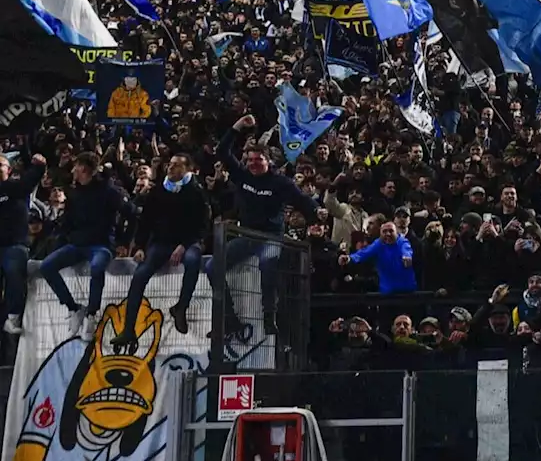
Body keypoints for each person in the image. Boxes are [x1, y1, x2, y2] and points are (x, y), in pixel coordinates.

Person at [207, 114, 318, 334]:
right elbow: (221, 151)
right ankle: (229, 317)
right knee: (212, 267)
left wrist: (316, 218)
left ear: (268, 161)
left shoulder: (281, 183)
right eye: (249, 160)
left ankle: (269, 317)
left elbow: (303, 202)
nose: (253, 164)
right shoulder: (242, 175)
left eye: (258, 160)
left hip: (270, 237)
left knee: (267, 266)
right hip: (245, 235)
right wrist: (237, 126)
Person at [39, 152, 135, 341]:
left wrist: (124, 242)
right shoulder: (74, 192)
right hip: (76, 244)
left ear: (83, 168)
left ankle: (92, 314)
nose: (73, 170)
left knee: (97, 266)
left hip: (101, 245)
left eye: (76, 166)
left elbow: (131, 214)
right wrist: (61, 236)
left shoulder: (109, 191)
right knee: (46, 266)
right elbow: (69, 220)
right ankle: (74, 308)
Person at [116, 153, 210, 345]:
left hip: (187, 242)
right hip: (161, 243)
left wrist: (184, 245)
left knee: (193, 260)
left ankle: (181, 307)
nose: (171, 168)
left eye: (177, 166)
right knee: (140, 274)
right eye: (170, 164)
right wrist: (140, 246)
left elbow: (202, 225)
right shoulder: (158, 191)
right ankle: (128, 330)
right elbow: (146, 221)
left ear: (187, 170)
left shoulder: (196, 192)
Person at [0, 152, 45, 334]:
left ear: (9, 170)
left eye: (0, 164)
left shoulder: (15, 187)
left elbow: (29, 182)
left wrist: (39, 166)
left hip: (14, 244)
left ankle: (13, 316)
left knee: (14, 272)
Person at [338, 221, 415, 294]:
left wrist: (407, 257)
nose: (388, 234)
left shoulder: (402, 242)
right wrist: (349, 258)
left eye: (391, 231)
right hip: (387, 291)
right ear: (380, 233)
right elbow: (364, 253)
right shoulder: (378, 244)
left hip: (406, 291)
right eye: (384, 231)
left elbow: (406, 250)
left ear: (396, 232)